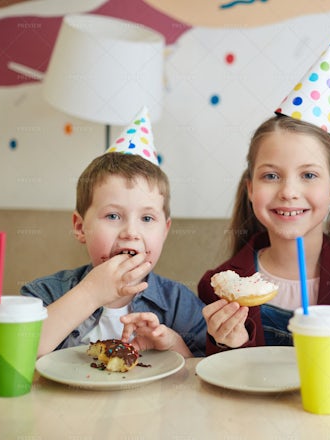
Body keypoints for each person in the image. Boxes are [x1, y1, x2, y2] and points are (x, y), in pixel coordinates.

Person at [199, 42, 330, 354]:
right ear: (250, 189)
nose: (288, 192)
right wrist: (226, 342)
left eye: (309, 175)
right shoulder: (218, 285)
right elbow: (219, 377)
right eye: (271, 176)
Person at [21, 108, 206, 358]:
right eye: (113, 216)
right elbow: (19, 352)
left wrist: (173, 343)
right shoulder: (46, 294)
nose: (131, 232)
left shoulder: (179, 303)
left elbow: (197, 377)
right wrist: (91, 292)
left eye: (147, 218)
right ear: (80, 227)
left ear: (165, 230)